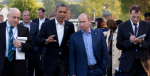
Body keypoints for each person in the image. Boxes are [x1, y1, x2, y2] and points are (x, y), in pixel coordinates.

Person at [35, 3, 75, 76]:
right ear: (55, 11)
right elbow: (37, 40)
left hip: (63, 61)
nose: (62, 14)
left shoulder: (70, 25)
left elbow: (72, 42)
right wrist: (46, 41)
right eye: (60, 12)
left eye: (64, 12)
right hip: (49, 61)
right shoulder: (46, 25)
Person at [117, 5, 150, 76]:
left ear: (141, 14)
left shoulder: (147, 25)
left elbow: (149, 43)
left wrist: (141, 42)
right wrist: (129, 41)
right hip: (127, 64)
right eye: (133, 17)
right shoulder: (122, 26)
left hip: (144, 64)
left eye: (138, 17)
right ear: (129, 14)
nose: (136, 19)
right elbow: (119, 45)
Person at [0, 8, 33, 76]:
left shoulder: (24, 30)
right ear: (8, 16)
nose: (16, 20)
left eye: (18, 18)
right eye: (14, 17)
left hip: (18, 65)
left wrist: (21, 45)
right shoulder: (0, 27)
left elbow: (31, 46)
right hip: (3, 64)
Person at [20, 10, 39, 76]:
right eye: (24, 15)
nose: (26, 17)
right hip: (22, 50)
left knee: (31, 69)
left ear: (30, 16)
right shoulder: (19, 25)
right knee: (23, 68)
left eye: (28, 15)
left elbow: (38, 37)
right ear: (22, 17)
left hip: (33, 50)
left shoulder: (35, 25)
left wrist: (37, 48)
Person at [32, 7, 49, 76]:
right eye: (38, 13)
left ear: (43, 12)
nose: (38, 14)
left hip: (45, 43)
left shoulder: (48, 21)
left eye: (40, 13)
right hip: (37, 43)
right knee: (37, 62)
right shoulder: (34, 20)